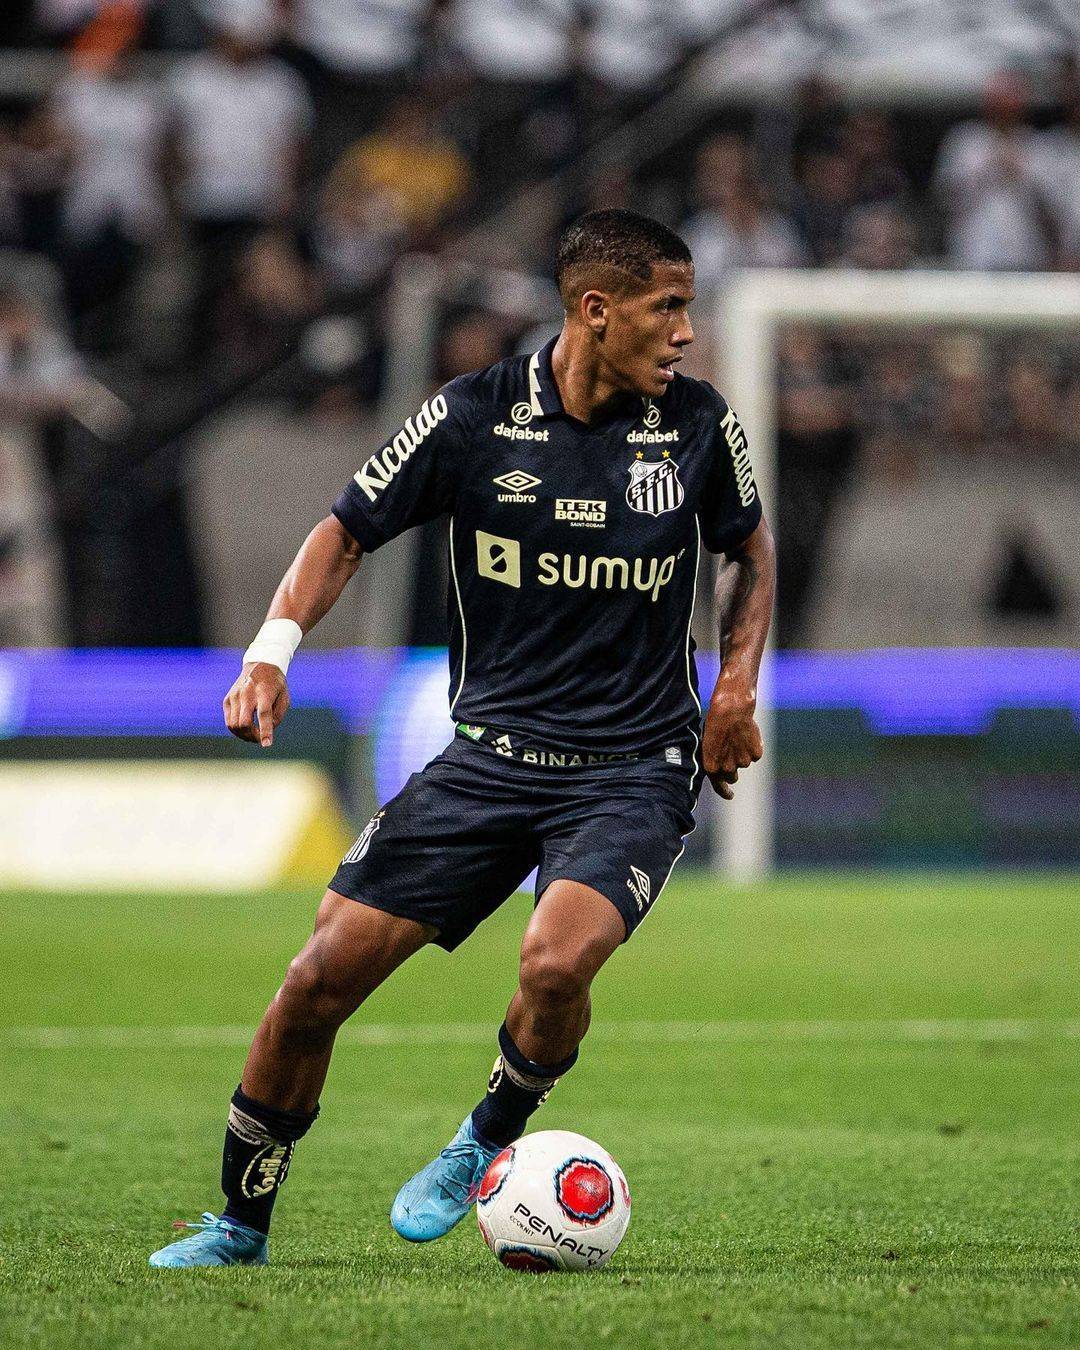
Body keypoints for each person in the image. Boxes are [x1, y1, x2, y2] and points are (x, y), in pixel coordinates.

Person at [148, 209, 775, 1268]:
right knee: (313, 984)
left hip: (632, 768)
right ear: (595, 309)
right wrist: (270, 651)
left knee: (554, 961)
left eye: (688, 310)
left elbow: (748, 554)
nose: (684, 333)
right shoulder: (471, 418)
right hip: (485, 758)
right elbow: (345, 529)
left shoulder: (703, 426)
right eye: (668, 308)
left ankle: (486, 1133)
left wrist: (734, 688)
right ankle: (239, 1224)